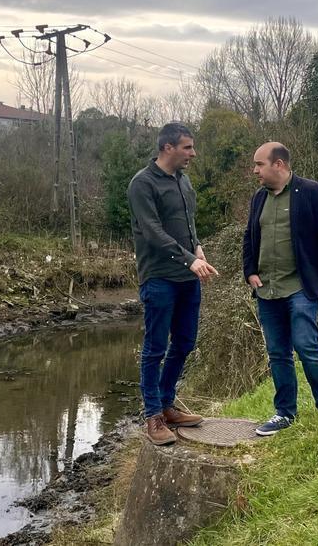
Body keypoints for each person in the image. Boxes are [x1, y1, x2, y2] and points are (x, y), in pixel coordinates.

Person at [127, 122, 219, 445]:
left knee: (185, 342)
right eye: (187, 147)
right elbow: (152, 233)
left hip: (187, 278)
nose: (193, 153)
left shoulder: (184, 180)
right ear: (168, 148)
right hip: (159, 279)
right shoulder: (142, 184)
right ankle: (152, 416)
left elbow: (188, 222)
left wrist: (197, 248)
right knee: (155, 348)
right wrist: (189, 259)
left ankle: (166, 404)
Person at [243, 142, 318, 436]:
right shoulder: (258, 198)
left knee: (305, 344)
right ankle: (284, 413)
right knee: (277, 353)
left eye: (259, 164)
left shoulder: (311, 192)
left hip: (301, 286)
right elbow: (249, 237)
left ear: (279, 165)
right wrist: (249, 271)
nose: (255, 171)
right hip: (267, 290)